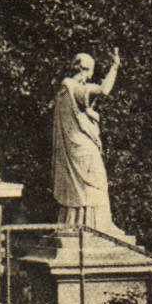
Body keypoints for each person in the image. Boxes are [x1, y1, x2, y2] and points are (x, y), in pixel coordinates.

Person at [52, 48, 124, 235]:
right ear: (87, 70)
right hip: (83, 146)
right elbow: (104, 90)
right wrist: (114, 67)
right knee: (95, 183)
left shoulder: (64, 90)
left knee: (82, 186)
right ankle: (96, 226)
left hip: (73, 147)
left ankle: (78, 223)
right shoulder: (76, 89)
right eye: (91, 71)